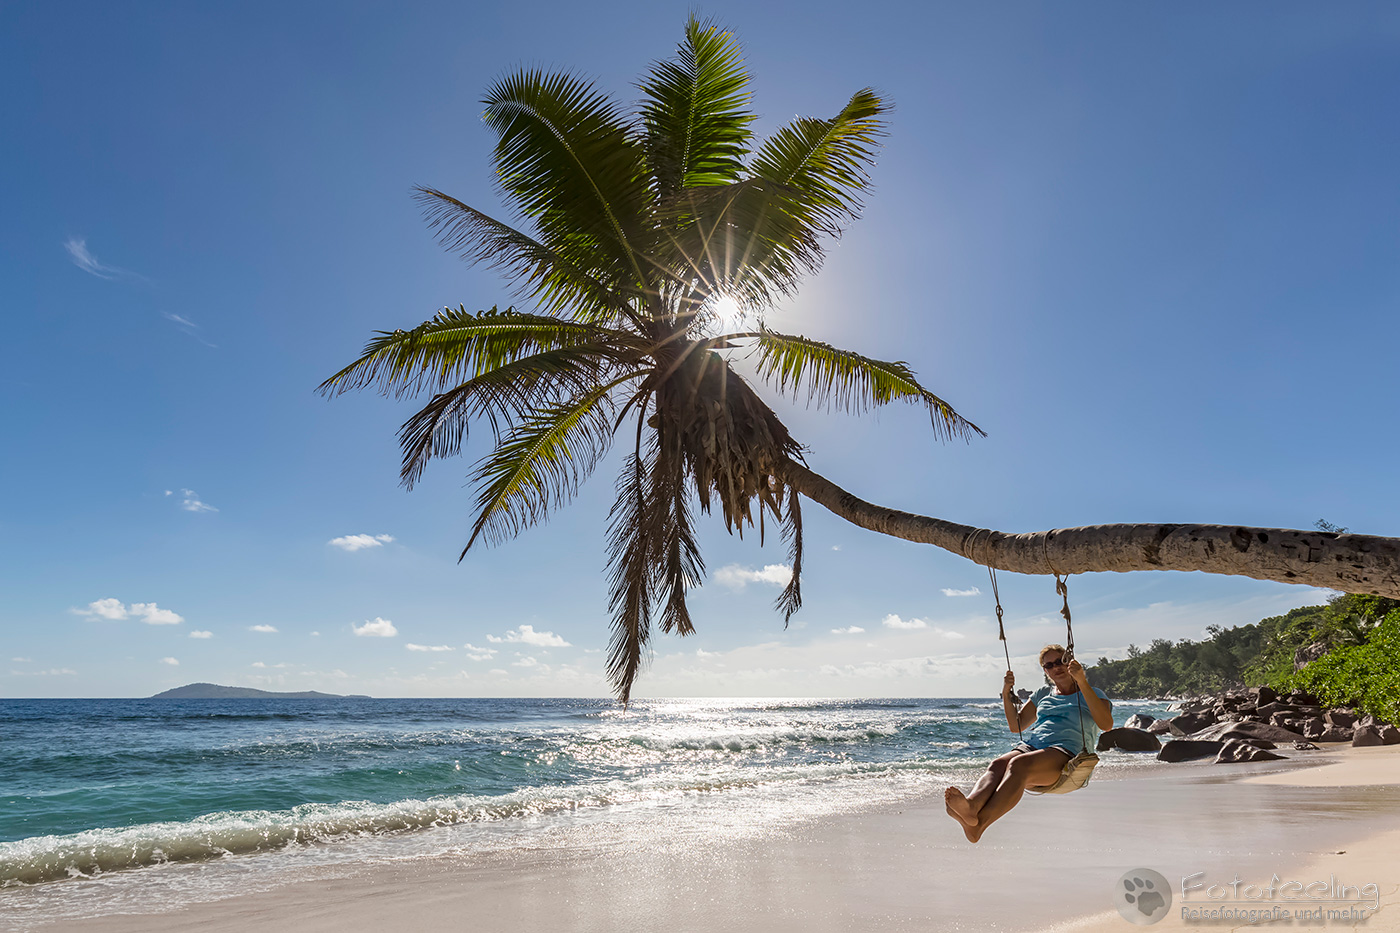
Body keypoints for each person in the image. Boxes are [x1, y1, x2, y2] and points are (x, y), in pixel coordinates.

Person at [944, 643, 1113, 843]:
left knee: (1018, 764)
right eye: (1049, 665)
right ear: (1045, 671)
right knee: (998, 764)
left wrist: (1082, 681)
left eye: (1060, 661)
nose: (1056, 667)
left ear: (1070, 662)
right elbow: (1016, 725)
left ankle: (979, 825)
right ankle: (972, 807)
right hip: (1033, 746)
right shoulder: (1043, 693)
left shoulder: (1093, 693)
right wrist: (1006, 691)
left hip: (1067, 753)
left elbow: (1106, 724)